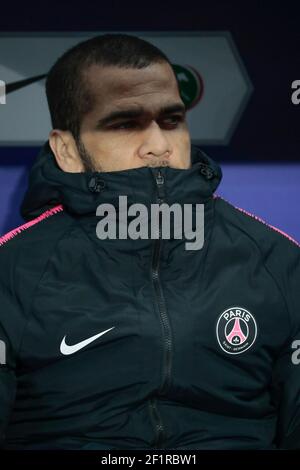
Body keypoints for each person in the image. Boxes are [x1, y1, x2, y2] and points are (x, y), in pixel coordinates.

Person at [0, 33, 299, 451]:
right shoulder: (12, 270)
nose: (159, 145)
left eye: (172, 120)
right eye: (125, 124)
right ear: (66, 149)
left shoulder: (277, 259)